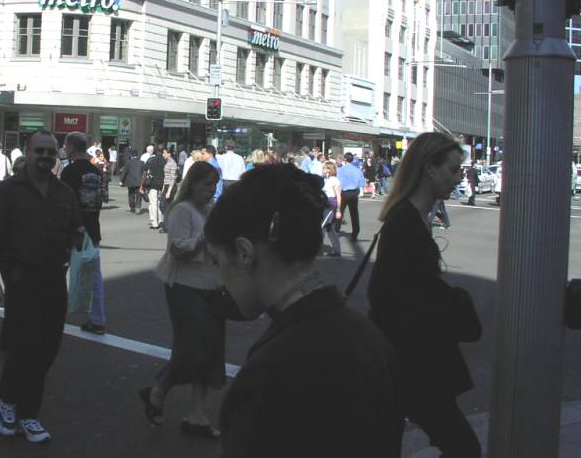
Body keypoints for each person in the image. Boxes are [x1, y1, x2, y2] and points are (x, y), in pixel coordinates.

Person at [204, 163, 402, 457]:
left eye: (217, 261)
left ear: (244, 252)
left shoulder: (272, 372)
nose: (219, 279)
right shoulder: (370, 337)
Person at [368, 132, 481, 457]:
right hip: (412, 364)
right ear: (429, 168)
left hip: (410, 362)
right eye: (453, 169)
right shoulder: (405, 221)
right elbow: (385, 293)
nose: (458, 178)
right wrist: (449, 302)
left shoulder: (413, 216)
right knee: (463, 448)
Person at [0, 130, 83, 444]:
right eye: (40, 151)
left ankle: (27, 411)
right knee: (25, 346)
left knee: (48, 347)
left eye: (51, 151)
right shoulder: (7, 191)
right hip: (20, 280)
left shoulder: (64, 192)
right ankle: (9, 400)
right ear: (27, 151)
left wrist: (77, 237)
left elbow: (76, 227)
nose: (46, 156)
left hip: (54, 279)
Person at [139, 161, 224, 439]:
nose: (211, 190)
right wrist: (204, 239)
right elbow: (178, 248)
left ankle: (197, 414)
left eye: (214, 184)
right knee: (191, 348)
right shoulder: (182, 210)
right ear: (193, 184)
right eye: (206, 184)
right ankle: (158, 390)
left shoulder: (211, 210)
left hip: (213, 286)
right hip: (185, 286)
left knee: (211, 350)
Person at [62, 132, 106, 335]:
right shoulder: (95, 171)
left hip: (73, 230)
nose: (65, 148)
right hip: (92, 227)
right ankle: (98, 318)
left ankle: (53, 312)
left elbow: (65, 203)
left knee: (57, 272)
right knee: (94, 276)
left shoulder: (70, 171)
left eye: (66, 145)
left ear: (72, 147)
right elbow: (102, 198)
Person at [337, 151, 365, 241]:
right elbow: (362, 183)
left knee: (340, 211)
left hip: (344, 192)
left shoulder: (341, 170)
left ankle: (336, 231)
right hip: (354, 192)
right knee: (354, 213)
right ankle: (355, 233)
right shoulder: (357, 170)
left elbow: (338, 182)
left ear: (345, 159)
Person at [141, 146, 166, 230]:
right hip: (162, 184)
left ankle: (154, 223)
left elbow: (144, 172)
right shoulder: (165, 161)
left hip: (152, 184)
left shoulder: (151, 160)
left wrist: (142, 185)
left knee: (153, 203)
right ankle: (161, 220)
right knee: (160, 202)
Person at [321, 160, 342, 256]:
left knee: (323, 226)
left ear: (329, 169)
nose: (323, 169)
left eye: (325, 168)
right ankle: (336, 250)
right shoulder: (326, 179)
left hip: (330, 203)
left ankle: (318, 248)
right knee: (329, 227)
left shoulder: (334, 180)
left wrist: (338, 210)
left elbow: (338, 195)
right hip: (325, 202)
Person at [158, 147, 178, 233]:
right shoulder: (167, 162)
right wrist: (163, 188)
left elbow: (172, 178)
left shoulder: (172, 163)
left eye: (164, 153)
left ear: (169, 154)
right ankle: (169, 224)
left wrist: (169, 191)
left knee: (165, 206)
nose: (163, 154)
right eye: (163, 153)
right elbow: (166, 177)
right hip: (166, 185)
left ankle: (167, 226)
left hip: (171, 186)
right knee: (162, 206)